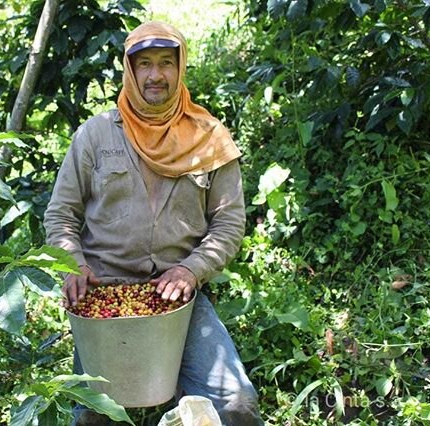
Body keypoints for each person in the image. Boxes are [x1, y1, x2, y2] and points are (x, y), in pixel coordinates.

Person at [43, 21, 263, 426]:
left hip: (178, 301)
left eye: (166, 63)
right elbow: (61, 214)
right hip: (103, 297)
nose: (155, 75)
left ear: (181, 69)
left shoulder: (209, 137)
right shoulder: (94, 136)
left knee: (236, 404)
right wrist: (74, 264)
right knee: (94, 416)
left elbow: (229, 223)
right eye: (144, 64)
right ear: (129, 70)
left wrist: (190, 270)